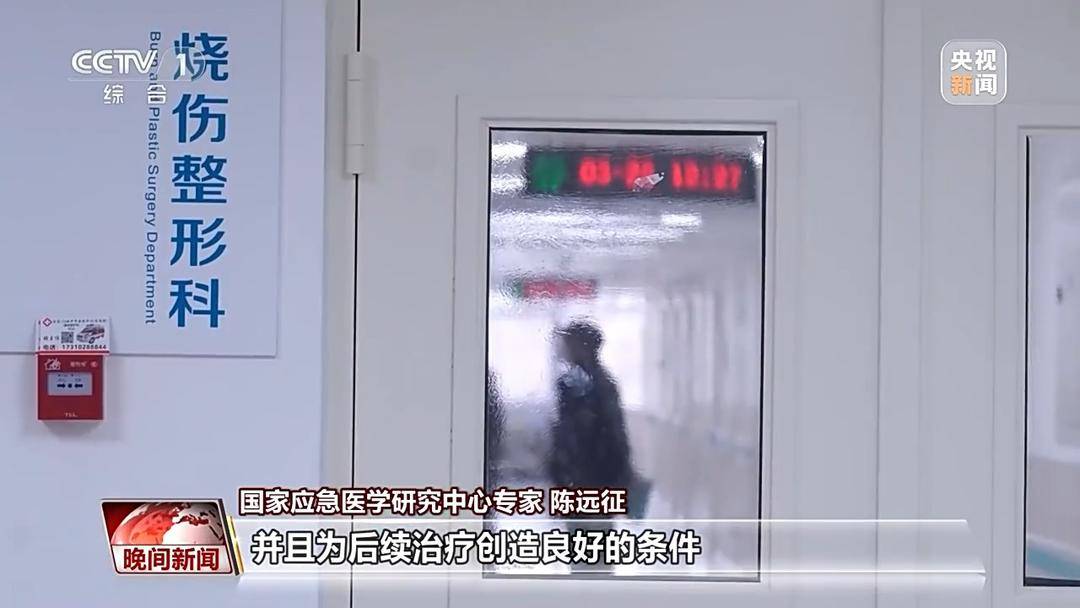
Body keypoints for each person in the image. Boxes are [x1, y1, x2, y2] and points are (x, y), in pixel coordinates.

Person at [547, 320, 643, 572]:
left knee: (588, 544)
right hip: (589, 476)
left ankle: (590, 585)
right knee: (591, 544)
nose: (564, 349)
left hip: (588, 476)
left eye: (569, 343)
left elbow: (603, 433)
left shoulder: (586, 385)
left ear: (584, 346)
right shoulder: (596, 382)